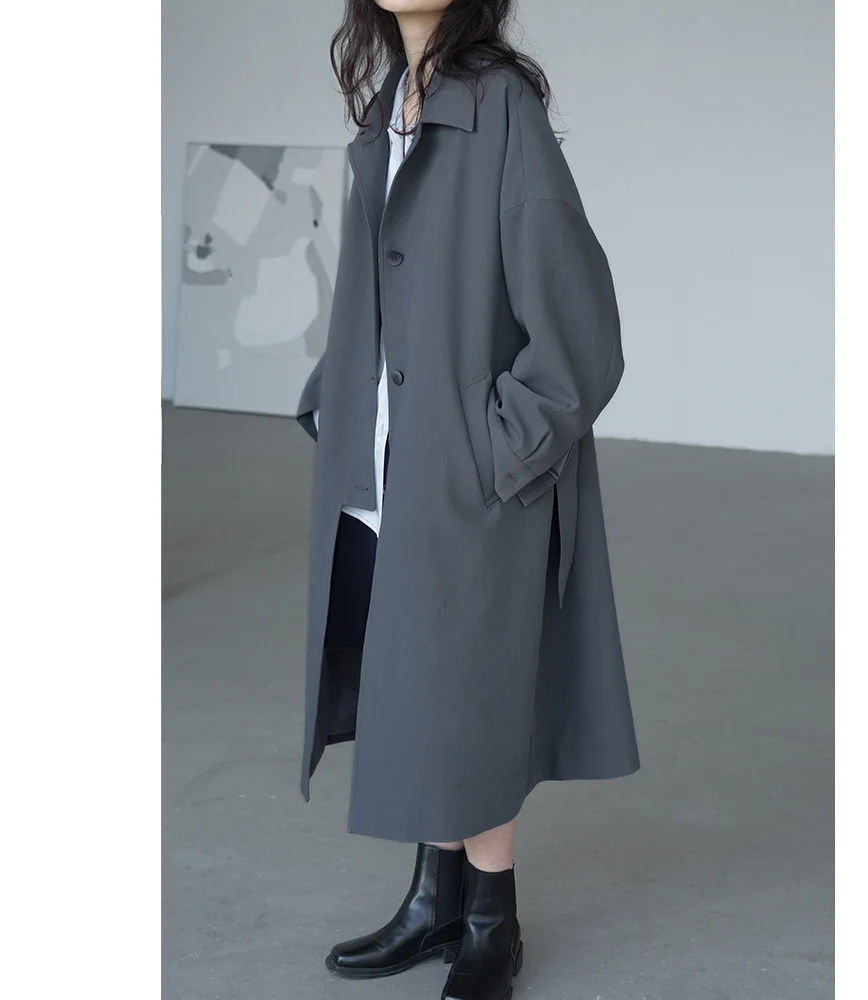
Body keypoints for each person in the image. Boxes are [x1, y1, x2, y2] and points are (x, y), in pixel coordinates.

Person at [294, 3, 641, 998]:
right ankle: (432, 900)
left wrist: (503, 448)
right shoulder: (387, 109)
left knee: (469, 693)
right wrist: (333, 398)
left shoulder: (499, 105)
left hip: (466, 466)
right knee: (420, 685)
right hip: (383, 459)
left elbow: (579, 326)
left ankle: (492, 918)